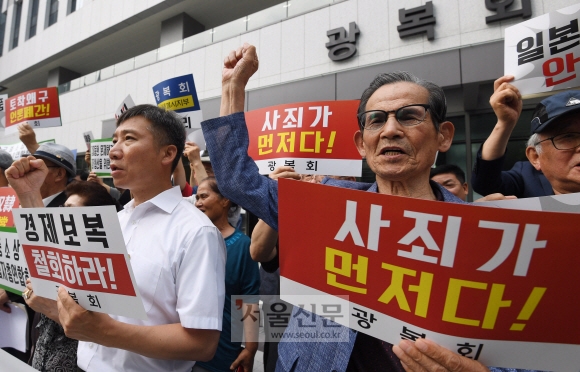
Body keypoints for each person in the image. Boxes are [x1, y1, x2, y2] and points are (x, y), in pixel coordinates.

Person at [201, 43, 535, 372]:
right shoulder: (324, 203)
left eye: (409, 116)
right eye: (376, 120)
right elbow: (236, 181)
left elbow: (531, 351)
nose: (391, 130)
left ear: (444, 136)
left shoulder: (485, 233)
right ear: (362, 144)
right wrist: (234, 87)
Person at [7, 104, 227, 371]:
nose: (113, 150)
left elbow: (202, 344)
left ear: (168, 153)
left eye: (129, 139)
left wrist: (106, 332)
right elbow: (61, 277)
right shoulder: (114, 222)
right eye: (114, 140)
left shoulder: (195, 232)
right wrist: (30, 195)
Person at [6, 177, 119, 371]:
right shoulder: (57, 254)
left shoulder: (106, 269)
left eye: (71, 210)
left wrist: (52, 309)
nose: (62, 215)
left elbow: (100, 329)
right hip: (42, 353)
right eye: (63, 207)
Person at [193, 176, 260, 372]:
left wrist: (251, 347)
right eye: (197, 197)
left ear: (225, 200)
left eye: (204, 196)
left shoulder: (242, 246)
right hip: (182, 349)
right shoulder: (187, 240)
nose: (198, 203)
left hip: (221, 353)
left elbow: (249, 300)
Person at [470, 76, 553, 197]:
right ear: (535, 156)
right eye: (567, 137)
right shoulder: (527, 176)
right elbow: (485, 183)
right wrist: (505, 123)